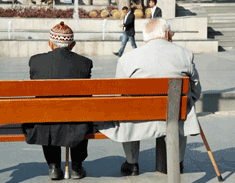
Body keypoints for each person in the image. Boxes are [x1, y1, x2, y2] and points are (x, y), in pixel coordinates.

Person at [98, 18, 201, 176]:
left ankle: (132, 163)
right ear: (167, 33)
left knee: (126, 109)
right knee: (182, 108)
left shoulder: (127, 58)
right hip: (173, 116)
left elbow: (120, 95)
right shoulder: (185, 54)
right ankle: (177, 162)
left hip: (138, 118)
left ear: (145, 36)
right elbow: (195, 89)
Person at [21, 21, 93, 180]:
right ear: (73, 44)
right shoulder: (85, 63)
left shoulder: (35, 61)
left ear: (50, 44)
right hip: (76, 122)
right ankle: (76, 166)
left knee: (46, 115)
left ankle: (53, 166)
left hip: (46, 121)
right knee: (81, 113)